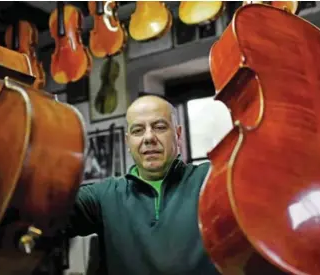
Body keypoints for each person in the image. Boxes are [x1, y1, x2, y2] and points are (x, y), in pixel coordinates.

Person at [67, 94, 220, 275]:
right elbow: (45, 213)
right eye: (138, 130)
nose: (149, 137)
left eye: (160, 127)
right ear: (128, 141)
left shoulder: (212, 179)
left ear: (178, 135)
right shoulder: (103, 195)